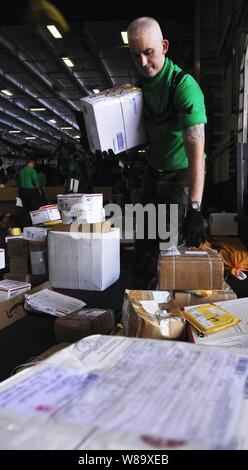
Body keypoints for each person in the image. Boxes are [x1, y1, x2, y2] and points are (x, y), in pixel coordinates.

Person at [127, 17, 207, 286]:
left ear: (164, 46)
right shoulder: (139, 87)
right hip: (153, 172)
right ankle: (141, 318)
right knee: (145, 252)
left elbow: (197, 154)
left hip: (181, 176)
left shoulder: (184, 88)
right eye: (135, 55)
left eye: (148, 53)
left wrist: (195, 208)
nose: (143, 63)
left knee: (171, 255)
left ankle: (171, 321)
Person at [18, 159, 41, 223]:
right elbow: (35, 181)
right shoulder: (32, 171)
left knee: (25, 208)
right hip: (31, 191)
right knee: (33, 207)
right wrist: (39, 190)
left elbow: (18, 183)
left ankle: (25, 222)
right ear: (31, 163)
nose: (33, 166)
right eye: (33, 165)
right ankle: (33, 222)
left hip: (22, 191)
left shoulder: (21, 171)